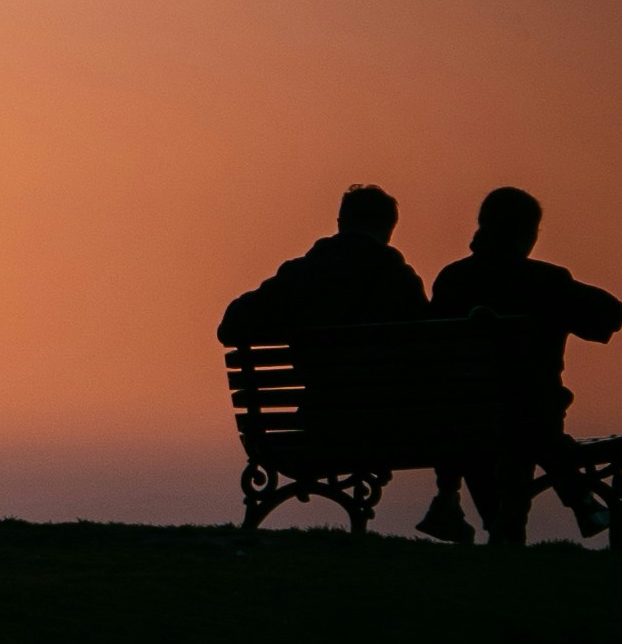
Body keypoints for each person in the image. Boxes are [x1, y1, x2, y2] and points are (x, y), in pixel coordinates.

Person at [424, 187, 619, 552]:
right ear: (529, 233)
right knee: (526, 416)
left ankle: (505, 525)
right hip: (530, 415)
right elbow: (610, 315)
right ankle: (578, 499)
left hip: (463, 418)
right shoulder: (546, 281)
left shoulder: (452, 279)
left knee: (497, 419)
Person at [221, 183, 436, 509]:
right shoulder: (399, 281)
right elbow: (429, 357)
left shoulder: (299, 276)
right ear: (387, 231)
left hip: (316, 423)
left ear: (340, 224)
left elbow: (231, 326)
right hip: (384, 431)